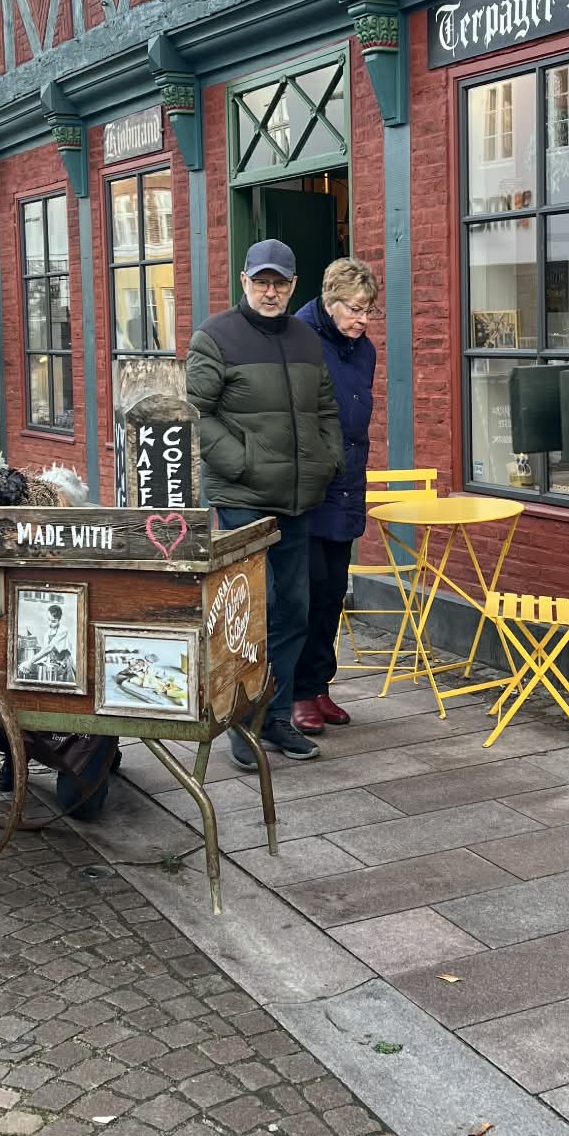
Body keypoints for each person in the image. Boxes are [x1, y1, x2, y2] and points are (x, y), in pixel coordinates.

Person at [185, 238, 343, 767]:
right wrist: (243, 463)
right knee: (253, 610)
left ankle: (274, 718)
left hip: (298, 498)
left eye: (280, 283)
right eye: (261, 282)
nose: (270, 291)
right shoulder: (216, 336)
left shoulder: (304, 337)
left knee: (293, 611)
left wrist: (327, 459)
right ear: (245, 282)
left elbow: (325, 407)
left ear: (293, 286)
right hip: (244, 499)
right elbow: (195, 412)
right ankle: (238, 718)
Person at [291, 259, 380, 735]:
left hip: (347, 482)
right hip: (309, 485)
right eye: (356, 309)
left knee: (332, 594)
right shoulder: (300, 339)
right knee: (305, 592)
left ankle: (320, 685)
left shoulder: (362, 350)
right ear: (329, 302)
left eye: (370, 310)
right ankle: (296, 693)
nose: (364, 319)